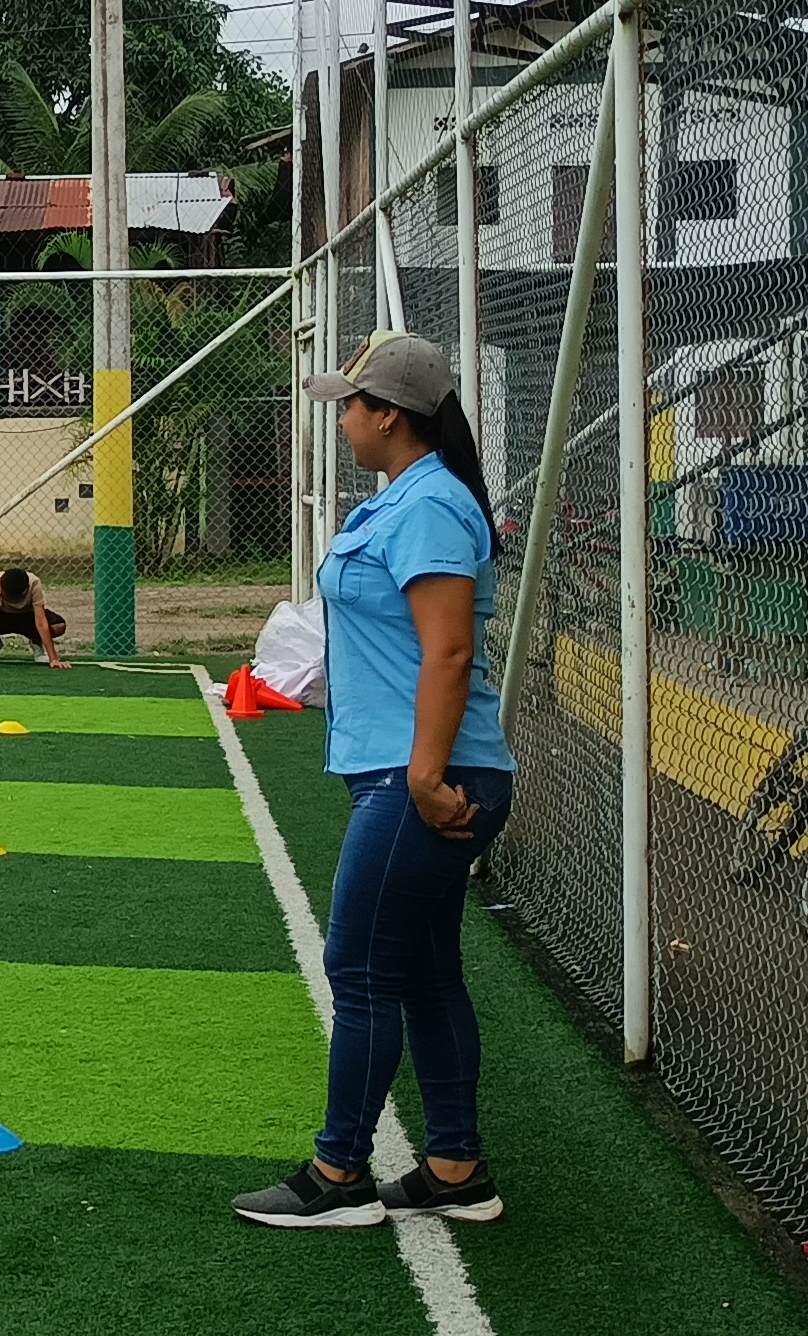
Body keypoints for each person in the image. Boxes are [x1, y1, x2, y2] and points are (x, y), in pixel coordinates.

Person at [233, 331, 515, 1230]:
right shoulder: (407, 499)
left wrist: (425, 775)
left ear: (389, 415)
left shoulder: (427, 507)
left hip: (422, 774)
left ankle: (340, 1174)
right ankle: (456, 1168)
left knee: (357, 966)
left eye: (351, 405)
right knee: (424, 973)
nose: (343, 418)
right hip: (406, 768)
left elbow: (450, 650)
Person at [0, 567, 71, 668]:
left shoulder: (34, 583)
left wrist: (54, 659)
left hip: (27, 618)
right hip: (0, 617)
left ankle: (37, 643)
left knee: (58, 626)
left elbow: (40, 621)